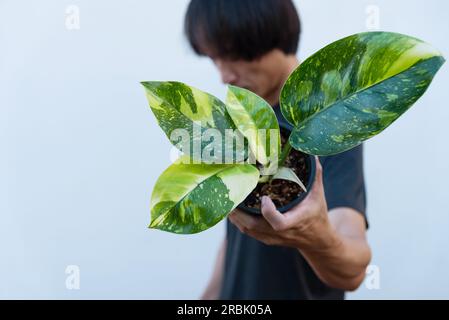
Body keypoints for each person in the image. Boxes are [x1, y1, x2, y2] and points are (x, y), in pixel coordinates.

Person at [184, 0, 371, 299]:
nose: (224, 76)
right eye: (214, 59)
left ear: (273, 36)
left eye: (232, 57)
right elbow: (235, 242)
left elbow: (354, 268)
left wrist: (313, 235)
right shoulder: (242, 124)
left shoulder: (326, 121)